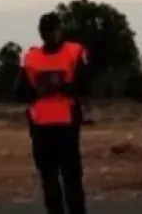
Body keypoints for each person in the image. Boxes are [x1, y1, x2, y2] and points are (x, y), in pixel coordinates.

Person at [17, 11, 90, 214]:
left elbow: (85, 86)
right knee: (49, 180)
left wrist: (62, 86)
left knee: (71, 178)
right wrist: (38, 90)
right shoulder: (31, 57)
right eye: (46, 31)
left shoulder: (74, 53)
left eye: (54, 30)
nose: (50, 36)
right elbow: (20, 92)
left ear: (61, 31)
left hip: (67, 125)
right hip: (41, 127)